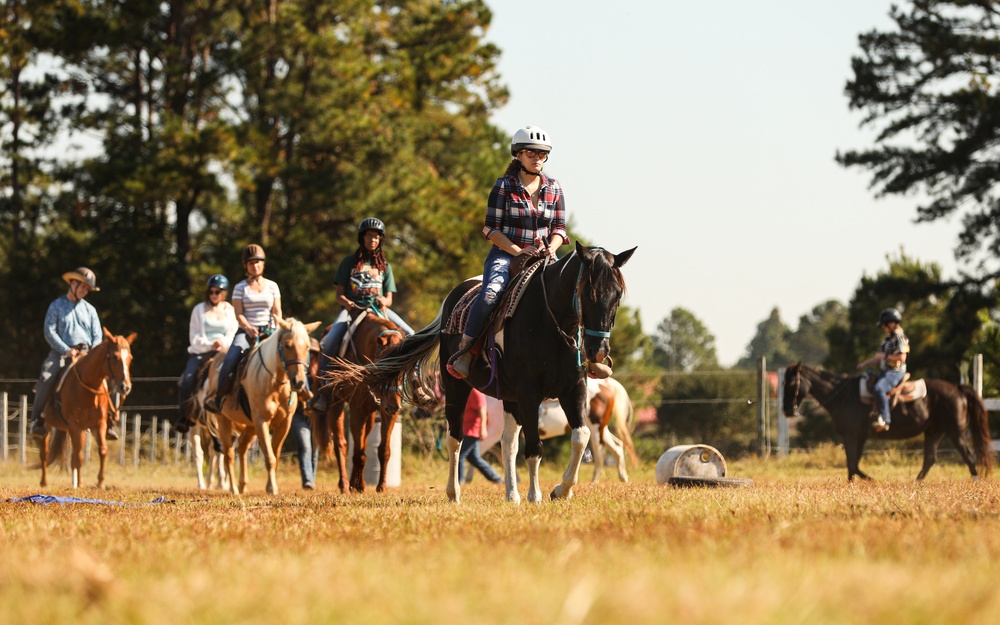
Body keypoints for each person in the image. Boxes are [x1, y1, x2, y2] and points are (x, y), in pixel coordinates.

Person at [448, 125, 568, 379]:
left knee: (571, 294)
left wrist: (551, 248)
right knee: (491, 294)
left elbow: (559, 228)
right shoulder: (503, 186)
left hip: (546, 256)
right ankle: (467, 350)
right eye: (531, 153)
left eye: (542, 154)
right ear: (518, 155)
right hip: (506, 254)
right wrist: (519, 251)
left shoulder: (555, 188)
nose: (537, 158)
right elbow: (491, 229)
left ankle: (582, 358)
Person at [311, 217, 414, 412]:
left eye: (376, 237)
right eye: (369, 236)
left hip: (379, 310)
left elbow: (389, 297)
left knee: (411, 333)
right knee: (331, 340)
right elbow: (339, 294)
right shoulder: (349, 262)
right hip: (353, 311)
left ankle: (413, 383)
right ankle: (323, 392)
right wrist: (348, 303)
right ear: (362, 238)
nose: (372, 240)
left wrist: (385, 301)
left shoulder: (385, 265)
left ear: (380, 240)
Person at [204, 244, 282, 414]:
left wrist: (276, 327)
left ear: (263, 264)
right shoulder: (240, 288)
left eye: (258, 262)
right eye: (251, 263)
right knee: (231, 357)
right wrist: (248, 328)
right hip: (247, 332)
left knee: (292, 353)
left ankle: (305, 393)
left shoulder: (272, 286)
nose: (255, 266)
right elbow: (238, 314)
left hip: (270, 331)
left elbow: (277, 311)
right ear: (246, 266)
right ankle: (219, 397)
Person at [30, 267, 105, 437]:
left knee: (111, 376)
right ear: (73, 283)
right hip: (61, 355)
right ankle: (38, 420)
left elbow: (97, 335)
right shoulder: (56, 306)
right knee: (47, 376)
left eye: (88, 289)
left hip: (86, 356)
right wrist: (66, 349)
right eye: (83, 287)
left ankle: (109, 420)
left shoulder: (90, 310)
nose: (86, 291)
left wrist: (92, 354)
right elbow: (49, 332)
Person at [173, 274, 238, 433]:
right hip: (201, 353)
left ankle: (236, 411)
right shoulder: (199, 310)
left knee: (237, 374)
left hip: (223, 352)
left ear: (224, 293)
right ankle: (184, 416)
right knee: (187, 379)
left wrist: (222, 343)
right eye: (211, 291)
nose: (214, 295)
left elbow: (233, 332)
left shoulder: (230, 310)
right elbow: (194, 337)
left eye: (218, 291)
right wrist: (210, 344)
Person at [857, 307, 910, 432]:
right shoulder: (887, 339)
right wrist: (864, 364)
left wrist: (884, 356)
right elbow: (877, 357)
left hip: (895, 372)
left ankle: (885, 419)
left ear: (891, 324)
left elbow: (902, 358)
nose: (883, 327)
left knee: (879, 388)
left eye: (884, 325)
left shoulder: (900, 338)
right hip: (885, 372)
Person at [458, 388, 503, 484]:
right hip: (466, 429)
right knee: (474, 458)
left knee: (460, 455)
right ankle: (496, 478)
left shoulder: (475, 391)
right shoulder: (466, 390)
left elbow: (482, 410)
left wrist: (483, 429)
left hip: (472, 430)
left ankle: (459, 481)